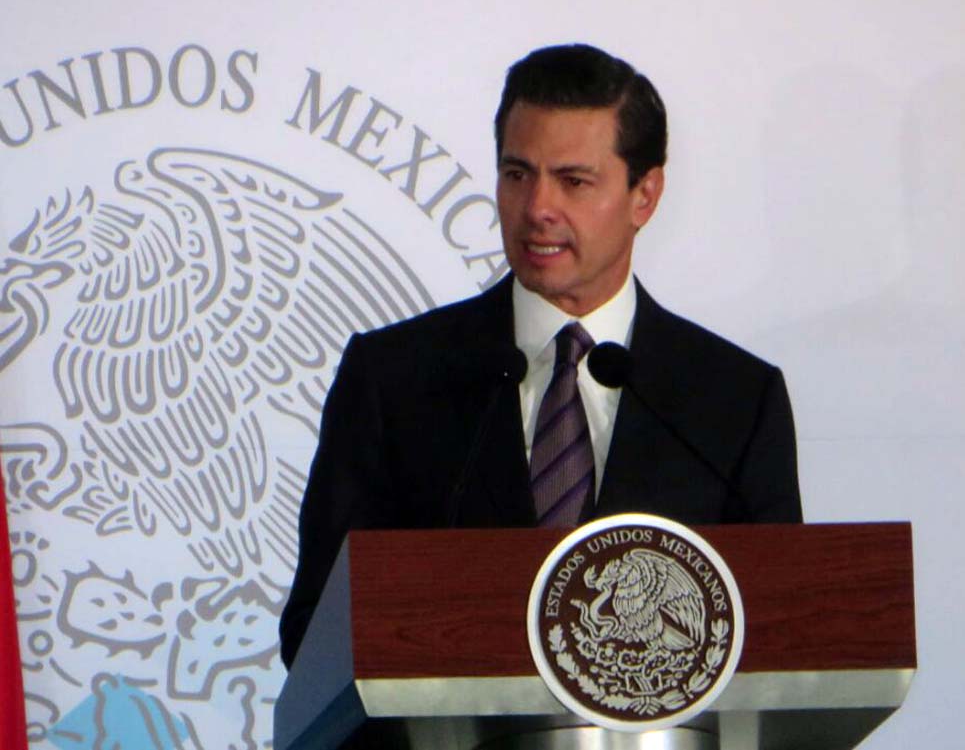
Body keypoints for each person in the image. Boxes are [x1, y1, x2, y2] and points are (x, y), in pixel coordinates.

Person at [279, 43, 802, 669]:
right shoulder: (394, 379)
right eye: (517, 174)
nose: (536, 210)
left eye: (573, 181)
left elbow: (780, 639)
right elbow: (315, 632)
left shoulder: (732, 400)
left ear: (645, 194)